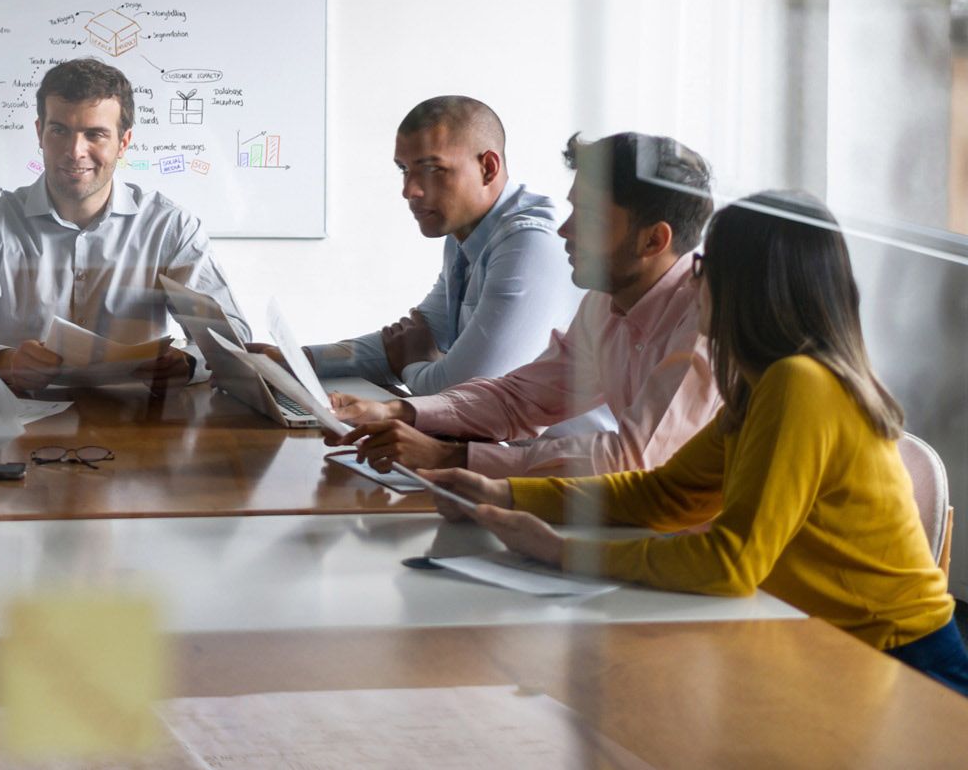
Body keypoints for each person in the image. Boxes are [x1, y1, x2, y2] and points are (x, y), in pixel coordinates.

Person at [420, 191, 968, 698]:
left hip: (901, 665)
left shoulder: (800, 384)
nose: (693, 281)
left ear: (745, 285)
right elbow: (665, 494)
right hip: (828, 645)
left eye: (705, 267)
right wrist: (506, 493)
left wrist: (562, 551)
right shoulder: (764, 384)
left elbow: (731, 562)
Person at [335, 132, 716, 477]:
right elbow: (521, 399)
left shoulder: (707, 322)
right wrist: (398, 411)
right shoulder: (606, 303)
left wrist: (449, 457)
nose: (565, 231)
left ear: (653, 241)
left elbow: (632, 460)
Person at [0, 57, 251, 392]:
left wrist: (189, 362)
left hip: (141, 422)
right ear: (40, 132)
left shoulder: (171, 228)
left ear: (123, 142)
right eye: (59, 130)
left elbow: (230, 337)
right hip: (18, 417)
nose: (74, 151)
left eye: (95, 134)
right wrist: (6, 362)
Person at [256, 96, 577, 393]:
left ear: (488, 168)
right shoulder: (466, 233)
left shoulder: (531, 242)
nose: (410, 190)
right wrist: (294, 360)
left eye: (432, 169)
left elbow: (466, 392)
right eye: (405, 170)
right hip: (499, 446)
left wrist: (411, 365)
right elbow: (410, 338)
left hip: (555, 453)